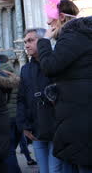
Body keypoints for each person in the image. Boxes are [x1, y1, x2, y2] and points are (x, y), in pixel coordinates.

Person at [36, 0, 92, 172]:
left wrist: (44, 41)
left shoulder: (73, 35)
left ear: (61, 17)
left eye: (51, 20)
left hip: (80, 113)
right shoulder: (82, 34)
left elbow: (50, 66)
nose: (48, 24)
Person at [17, 28, 63, 173]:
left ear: (43, 41)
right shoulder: (25, 69)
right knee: (44, 170)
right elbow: (22, 98)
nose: (26, 45)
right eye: (25, 42)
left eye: (31, 40)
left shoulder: (55, 63)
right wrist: (24, 125)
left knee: (55, 169)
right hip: (36, 129)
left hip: (56, 127)